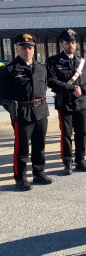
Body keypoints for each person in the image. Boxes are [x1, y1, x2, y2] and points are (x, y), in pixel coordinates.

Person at [0, 34, 52, 191]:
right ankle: (20, 178)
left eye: (30, 47)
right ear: (17, 48)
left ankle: (39, 173)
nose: (27, 50)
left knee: (39, 145)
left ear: (34, 49)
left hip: (41, 112)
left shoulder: (41, 68)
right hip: (22, 114)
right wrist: (12, 110)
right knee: (21, 148)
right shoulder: (9, 70)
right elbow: (2, 96)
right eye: (23, 47)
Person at [47, 29, 86, 175]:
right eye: (68, 42)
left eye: (73, 42)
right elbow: (50, 81)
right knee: (66, 134)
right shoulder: (53, 61)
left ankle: (80, 160)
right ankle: (67, 162)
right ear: (62, 43)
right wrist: (70, 87)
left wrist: (83, 89)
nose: (71, 45)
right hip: (65, 103)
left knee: (81, 133)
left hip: (81, 102)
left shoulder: (82, 62)